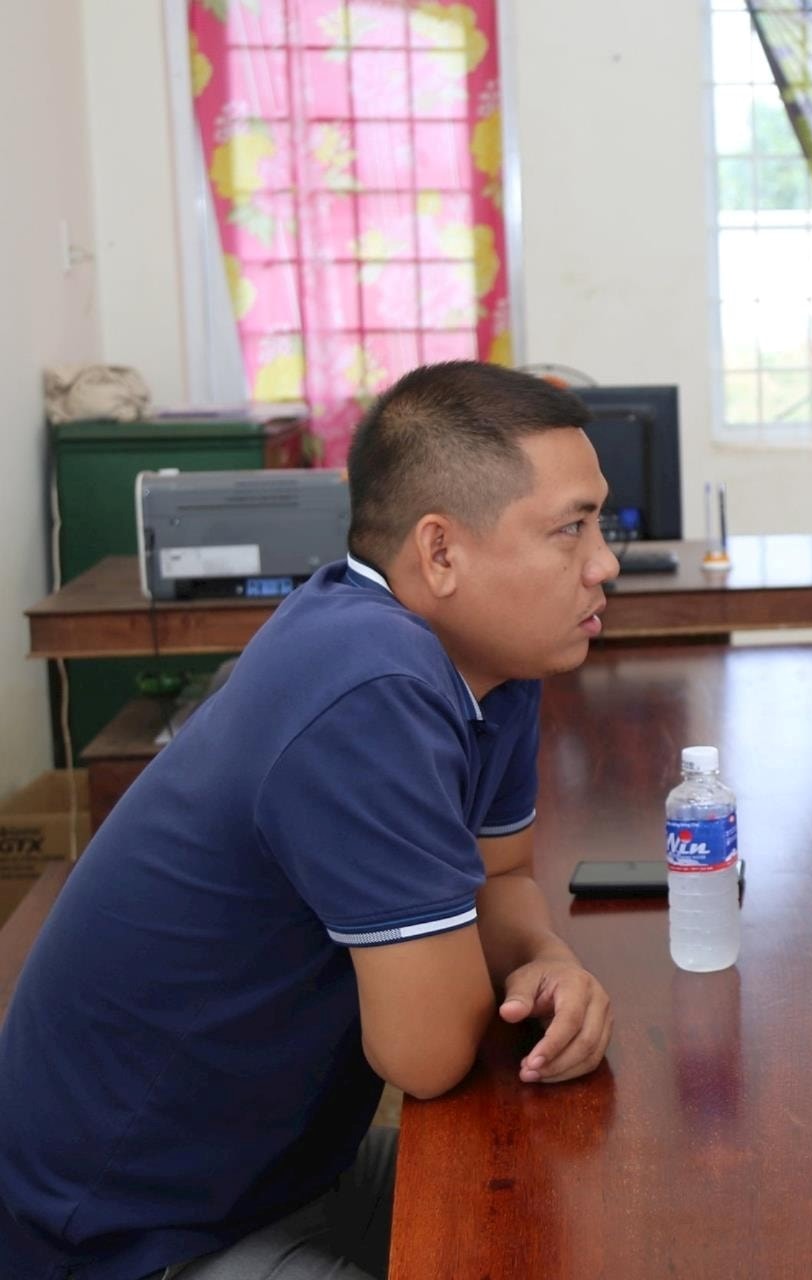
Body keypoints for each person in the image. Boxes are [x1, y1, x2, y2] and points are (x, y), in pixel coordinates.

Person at [0, 362, 621, 1280]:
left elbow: (503, 877)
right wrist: (495, 966)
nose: (605, 562)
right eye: (571, 528)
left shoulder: (493, 655)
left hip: (277, 1169)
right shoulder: (371, 684)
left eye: (599, 525)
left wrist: (546, 961)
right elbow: (425, 1054)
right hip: (130, 1228)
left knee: (587, 1211)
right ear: (440, 553)